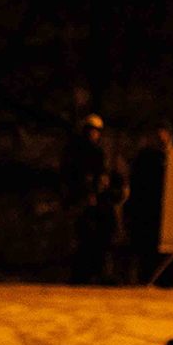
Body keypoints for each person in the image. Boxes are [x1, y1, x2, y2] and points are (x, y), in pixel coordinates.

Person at [62, 114, 124, 284]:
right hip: (82, 201)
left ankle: (102, 274)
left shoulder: (101, 151)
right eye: (91, 130)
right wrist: (85, 193)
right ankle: (81, 276)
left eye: (97, 131)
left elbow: (107, 175)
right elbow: (72, 176)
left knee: (105, 236)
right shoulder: (76, 152)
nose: (94, 134)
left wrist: (109, 186)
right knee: (84, 238)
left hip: (99, 202)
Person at [125, 126, 171, 276]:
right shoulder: (146, 157)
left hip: (165, 208)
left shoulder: (171, 157)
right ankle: (146, 276)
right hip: (147, 208)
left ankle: (162, 277)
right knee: (146, 246)